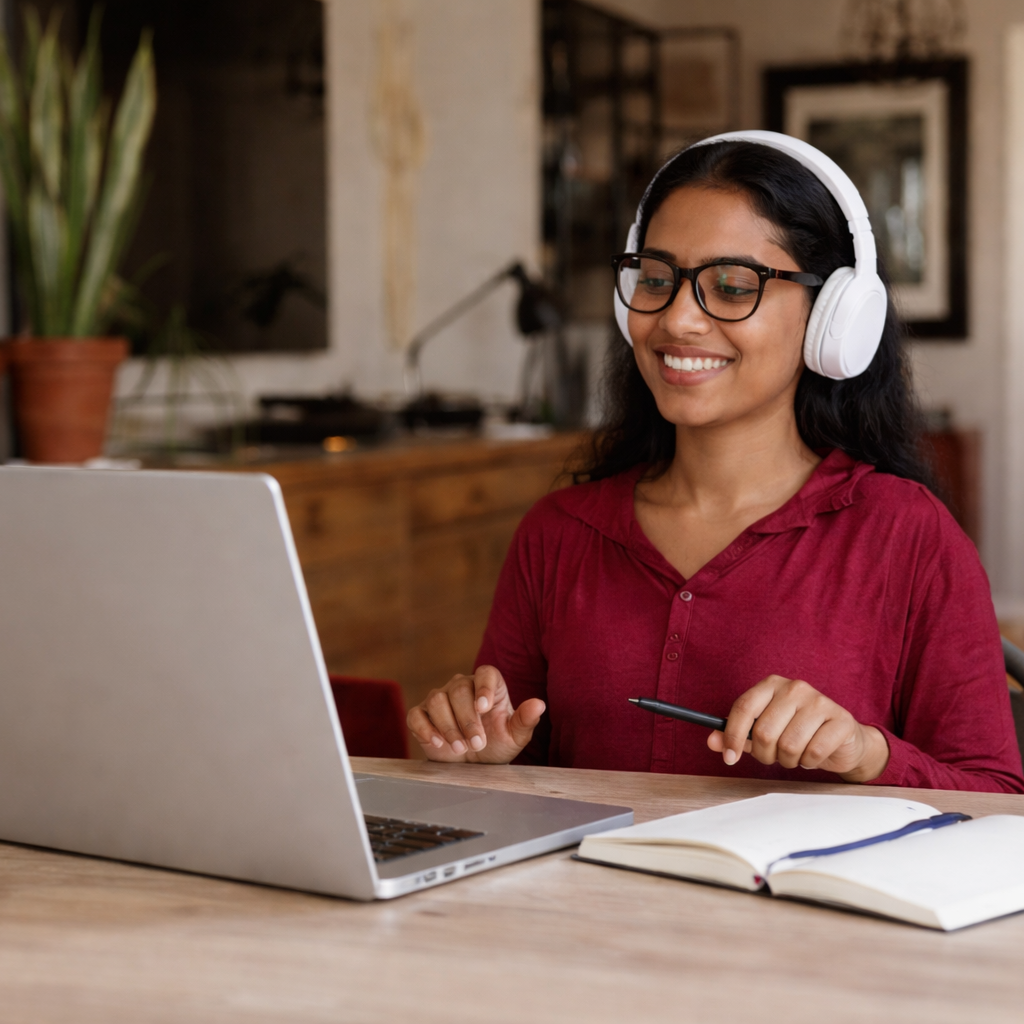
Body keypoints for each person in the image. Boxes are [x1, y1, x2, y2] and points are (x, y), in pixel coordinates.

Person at [407, 133, 1024, 793]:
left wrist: (868, 755)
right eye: (656, 278)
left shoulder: (908, 536)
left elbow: (998, 801)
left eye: (732, 287)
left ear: (833, 320)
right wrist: (478, 757)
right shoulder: (558, 533)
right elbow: (527, 779)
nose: (678, 319)